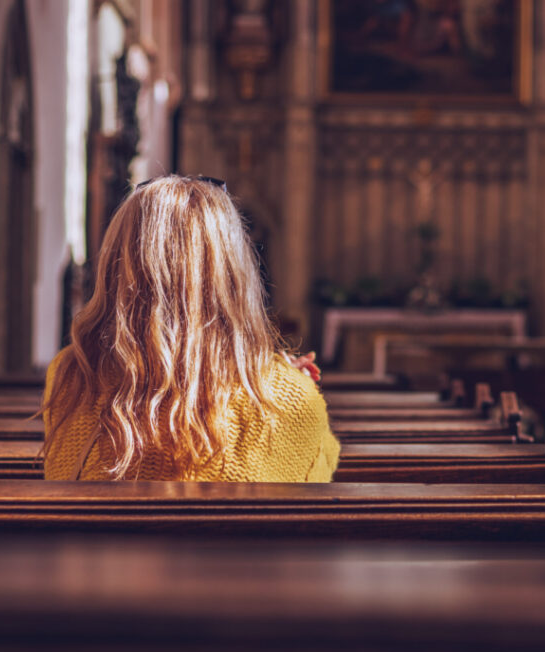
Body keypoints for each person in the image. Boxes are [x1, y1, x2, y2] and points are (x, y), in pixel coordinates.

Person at [41, 175, 339, 482]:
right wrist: (284, 383)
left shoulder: (72, 376)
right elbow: (313, 480)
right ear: (233, 275)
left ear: (118, 268)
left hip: (91, 533)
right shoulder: (292, 398)